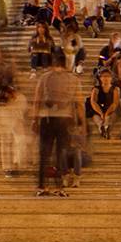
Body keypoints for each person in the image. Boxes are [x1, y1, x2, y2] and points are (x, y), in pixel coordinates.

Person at [34, 52, 80, 195]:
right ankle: (59, 187)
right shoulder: (73, 79)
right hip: (64, 120)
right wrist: (80, 123)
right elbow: (79, 103)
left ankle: (42, 187)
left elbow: (37, 98)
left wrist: (35, 119)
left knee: (45, 154)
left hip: (48, 119)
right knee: (61, 154)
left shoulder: (45, 77)